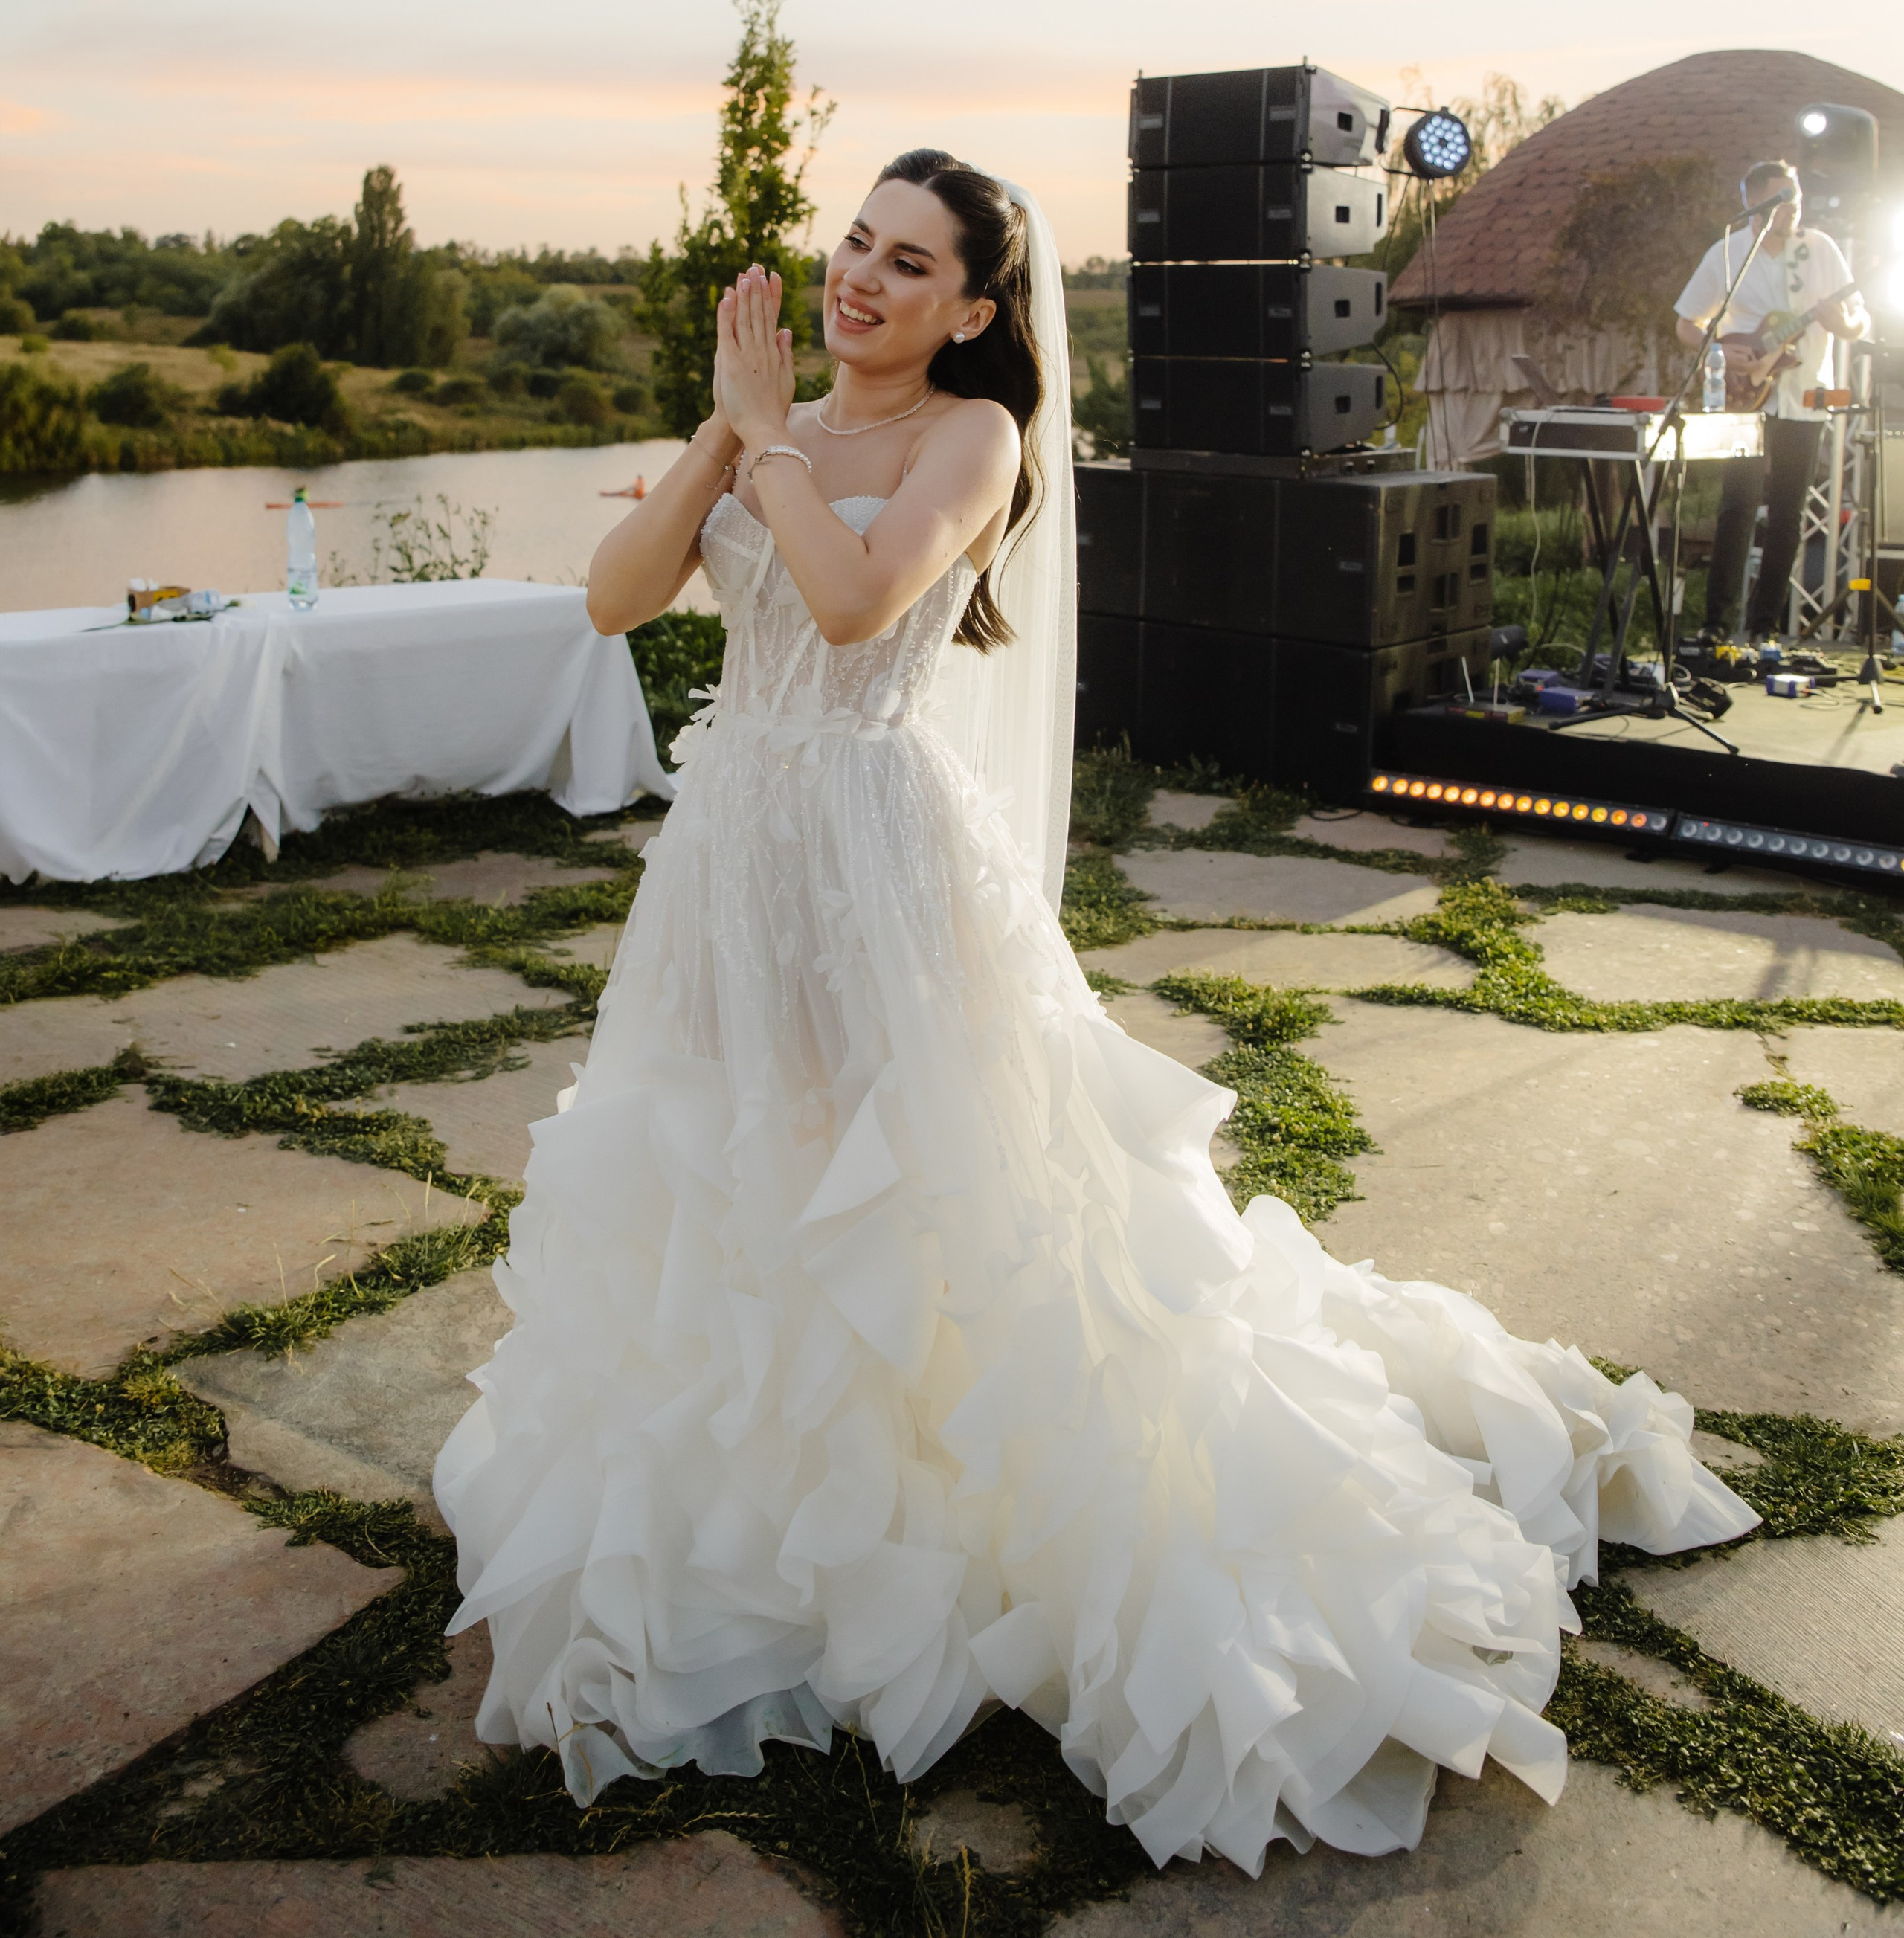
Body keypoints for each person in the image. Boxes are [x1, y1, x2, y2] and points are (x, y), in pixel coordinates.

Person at [435, 149, 1754, 1874]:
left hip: (871, 856)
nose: (863, 279)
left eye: (909, 265)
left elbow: (848, 601)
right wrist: (724, 427)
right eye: (856, 241)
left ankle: (944, 1508)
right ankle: (764, 1520)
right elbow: (613, 598)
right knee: (741, 1163)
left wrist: (762, 439)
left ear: (975, 309)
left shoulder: (964, 442)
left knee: (910, 1182)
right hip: (730, 859)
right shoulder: (771, 422)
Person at [1674, 160, 1868, 643]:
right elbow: (1686, 323)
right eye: (1784, 198)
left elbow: (1858, 317)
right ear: (1755, 202)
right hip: (1745, 399)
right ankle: (1716, 625)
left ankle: (1766, 630)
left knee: (1789, 512)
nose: (1794, 207)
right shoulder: (1729, 253)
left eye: (1797, 197)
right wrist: (1720, 350)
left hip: (1803, 397)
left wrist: (1842, 325)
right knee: (1736, 505)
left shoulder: (1820, 249)